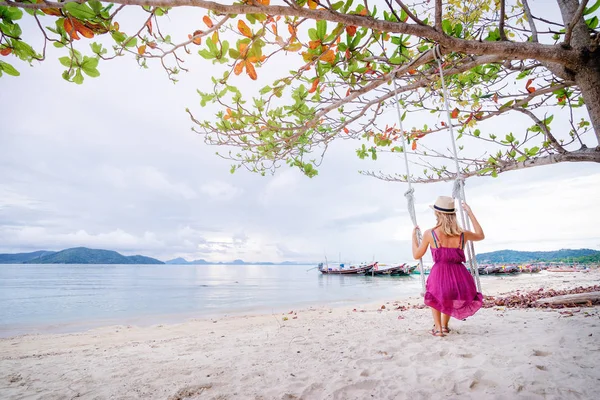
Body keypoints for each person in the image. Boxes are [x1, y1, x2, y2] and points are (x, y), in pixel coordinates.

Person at [412, 196, 485, 337]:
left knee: (435, 297)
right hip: (460, 276)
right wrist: (469, 213)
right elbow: (480, 235)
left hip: (440, 273)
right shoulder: (462, 234)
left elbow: (417, 255)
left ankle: (438, 329)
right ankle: (444, 326)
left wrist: (414, 238)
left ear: (437, 214)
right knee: (449, 298)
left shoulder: (430, 233)